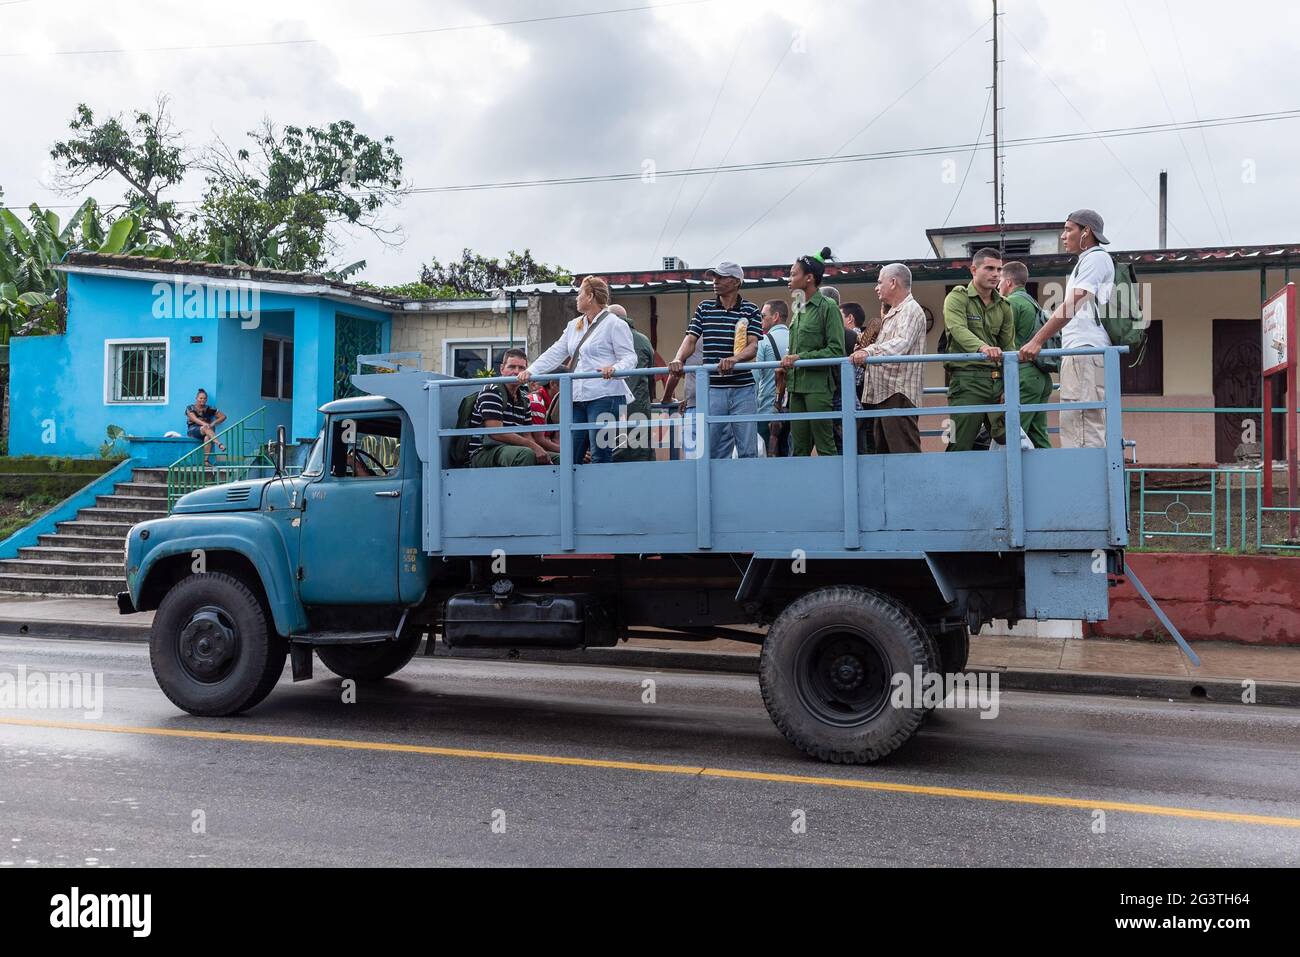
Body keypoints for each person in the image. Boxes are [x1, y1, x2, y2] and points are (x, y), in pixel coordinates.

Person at [1019, 210, 1114, 448]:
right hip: (1082, 353)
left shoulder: (1095, 258)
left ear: (1086, 232)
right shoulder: (1087, 261)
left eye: (1068, 229)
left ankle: (1085, 484)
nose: (1063, 236)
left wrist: (1038, 340)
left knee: (1081, 426)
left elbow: (1074, 302)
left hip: (1084, 351)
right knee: (1077, 423)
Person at [521, 275, 636, 465]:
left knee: (600, 452)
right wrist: (531, 371)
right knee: (572, 454)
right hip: (577, 397)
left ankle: (600, 494)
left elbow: (630, 357)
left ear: (590, 296)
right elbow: (555, 352)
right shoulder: (574, 326)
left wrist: (615, 368)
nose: (577, 297)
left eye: (580, 293)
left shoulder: (615, 324)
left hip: (605, 395)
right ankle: (571, 495)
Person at [666, 262, 762, 459]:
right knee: (706, 448)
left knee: (748, 449)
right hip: (712, 388)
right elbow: (691, 339)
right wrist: (677, 359)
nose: (714, 281)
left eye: (720, 277)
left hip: (742, 388)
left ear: (736, 282)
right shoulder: (705, 308)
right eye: (713, 277)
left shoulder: (751, 309)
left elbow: (753, 346)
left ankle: (748, 487)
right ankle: (706, 490)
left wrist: (734, 359)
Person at [942, 247, 1015, 451]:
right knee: (959, 442)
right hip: (967, 381)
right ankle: (952, 483)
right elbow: (957, 328)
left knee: (1009, 440)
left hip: (996, 382)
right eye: (989, 268)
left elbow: (1009, 347)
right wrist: (983, 347)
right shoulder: (958, 297)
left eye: (999, 270)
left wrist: (1007, 385)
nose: (995, 274)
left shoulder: (1004, 306)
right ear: (974, 269)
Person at [850, 263, 926, 454]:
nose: (876, 287)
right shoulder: (895, 311)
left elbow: (902, 343)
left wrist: (869, 352)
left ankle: (913, 485)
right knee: (885, 456)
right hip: (886, 393)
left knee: (904, 453)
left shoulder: (910, 309)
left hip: (898, 393)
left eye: (879, 282)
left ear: (893, 282)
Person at [780, 247, 844, 456]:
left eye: (793, 274)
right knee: (799, 449)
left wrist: (800, 358)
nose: (788, 278)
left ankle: (835, 488)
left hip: (817, 388)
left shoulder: (829, 306)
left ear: (809, 278)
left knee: (826, 446)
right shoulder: (798, 305)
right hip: (795, 386)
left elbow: (836, 351)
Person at [470, 350, 561, 467]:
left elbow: (527, 435)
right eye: (512, 367)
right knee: (526, 454)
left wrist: (540, 451)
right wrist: (534, 447)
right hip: (484, 451)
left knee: (559, 458)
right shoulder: (492, 391)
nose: (517, 372)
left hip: (512, 449)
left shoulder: (524, 398)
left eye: (522, 368)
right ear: (502, 369)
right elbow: (495, 433)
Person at [999, 261, 1054, 449]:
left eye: (999, 282)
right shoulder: (1033, 303)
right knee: (1038, 438)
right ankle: (1052, 478)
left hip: (1023, 376)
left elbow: (1001, 340)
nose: (998, 287)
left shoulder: (1010, 303)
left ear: (1007, 283)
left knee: (1012, 436)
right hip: (1041, 378)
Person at [609, 304, 656, 463]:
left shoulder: (604, 339)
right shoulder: (643, 340)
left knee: (609, 455)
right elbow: (651, 377)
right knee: (641, 456)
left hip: (610, 407)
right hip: (639, 408)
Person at [755, 299, 791, 457]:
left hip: (768, 409)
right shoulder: (795, 337)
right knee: (787, 453)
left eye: (763, 316)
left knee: (767, 455)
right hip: (792, 409)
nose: (760, 320)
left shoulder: (763, 341)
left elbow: (755, 378)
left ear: (775, 316)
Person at [185, 389, 227, 467]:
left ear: (206, 399)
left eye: (204, 398)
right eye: (201, 398)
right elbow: (195, 419)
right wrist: (205, 424)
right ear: (196, 398)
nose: (203, 400)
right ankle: (219, 443)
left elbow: (223, 416)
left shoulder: (209, 408)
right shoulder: (190, 408)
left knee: (208, 437)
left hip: (206, 430)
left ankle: (206, 461)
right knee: (205, 428)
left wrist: (213, 423)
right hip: (193, 430)